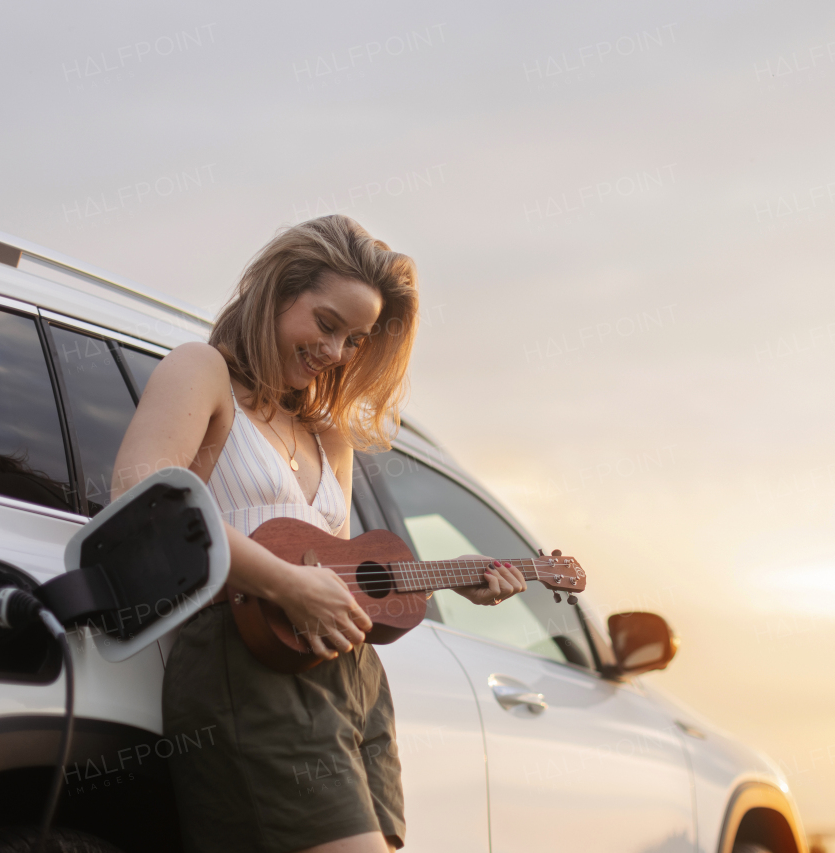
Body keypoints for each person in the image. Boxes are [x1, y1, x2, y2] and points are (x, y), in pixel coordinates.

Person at [110, 215, 527, 853]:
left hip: (354, 676)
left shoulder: (328, 431)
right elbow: (145, 503)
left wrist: (452, 578)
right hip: (246, 656)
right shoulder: (203, 372)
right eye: (326, 324)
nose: (335, 353)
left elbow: (338, 575)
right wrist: (286, 585)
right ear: (275, 293)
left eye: (356, 340)